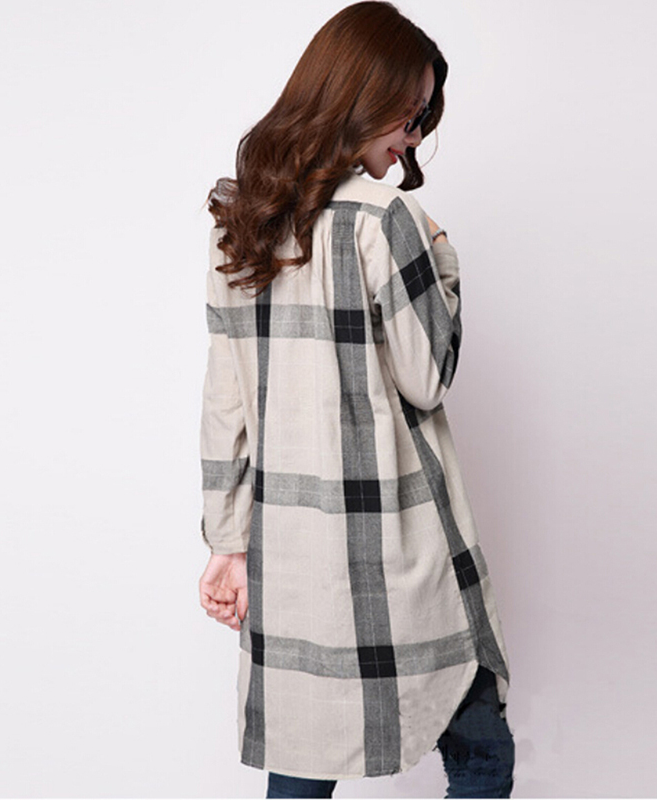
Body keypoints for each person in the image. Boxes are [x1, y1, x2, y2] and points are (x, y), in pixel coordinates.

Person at [197, 2, 515, 796]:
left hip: (291, 557)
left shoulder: (241, 222)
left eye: (422, 119)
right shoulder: (388, 218)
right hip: (394, 550)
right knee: (481, 753)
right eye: (410, 115)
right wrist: (440, 259)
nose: (413, 137)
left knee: (303, 766)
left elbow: (225, 402)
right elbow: (427, 375)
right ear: (362, 96)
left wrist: (227, 545)